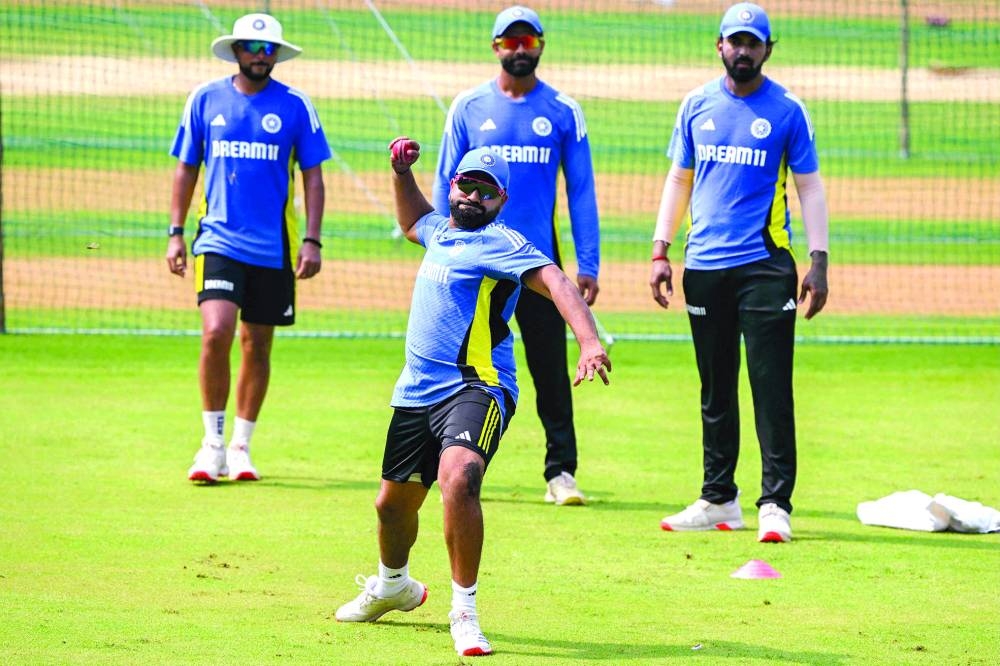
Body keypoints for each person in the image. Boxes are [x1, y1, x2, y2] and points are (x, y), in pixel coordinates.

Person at [335, 138, 610, 657]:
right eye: (466, 185)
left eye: (486, 192)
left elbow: (554, 278)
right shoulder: (439, 229)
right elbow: (413, 219)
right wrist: (400, 173)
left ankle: (464, 611)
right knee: (391, 507)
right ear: (453, 185)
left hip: (477, 386)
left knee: (458, 476)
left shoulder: (505, 243)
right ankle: (394, 585)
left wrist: (589, 340)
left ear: (501, 200)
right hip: (416, 390)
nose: (473, 197)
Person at [649, 2, 829, 543]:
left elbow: (810, 187)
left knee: (771, 385)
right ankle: (719, 498)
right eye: (736, 41)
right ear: (719, 45)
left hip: (765, 265)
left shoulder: (787, 111)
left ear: (767, 50)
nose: (744, 50)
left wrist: (818, 261)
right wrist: (660, 250)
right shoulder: (696, 105)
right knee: (715, 387)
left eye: (754, 42)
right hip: (703, 265)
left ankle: (775, 504)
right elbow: (679, 179)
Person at [433, 5, 601, 506]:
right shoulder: (467, 107)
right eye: (510, 42)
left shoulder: (563, 111)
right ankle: (450, 458)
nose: (519, 49)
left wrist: (587, 263)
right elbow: (448, 186)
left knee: (550, 367)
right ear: (496, 48)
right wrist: (445, 255)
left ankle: (561, 473)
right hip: (475, 270)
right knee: (459, 363)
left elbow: (582, 191)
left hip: (535, 268)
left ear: (541, 45)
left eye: (528, 41)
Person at [166, 13, 331, 483]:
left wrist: (312, 240)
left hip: (273, 248)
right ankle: (211, 444)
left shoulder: (297, 105)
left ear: (276, 55)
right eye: (252, 48)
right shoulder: (205, 98)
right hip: (216, 239)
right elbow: (185, 168)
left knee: (256, 343)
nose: (260, 56)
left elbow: (314, 175)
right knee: (216, 331)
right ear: (236, 51)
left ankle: (241, 445)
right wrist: (175, 232)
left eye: (268, 49)